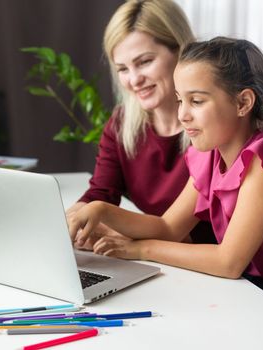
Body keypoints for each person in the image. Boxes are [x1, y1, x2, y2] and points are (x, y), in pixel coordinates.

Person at [68, 36, 263, 321]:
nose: (183, 114)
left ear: (243, 102)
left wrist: (140, 249)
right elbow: (168, 227)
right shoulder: (209, 155)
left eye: (196, 101)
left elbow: (229, 262)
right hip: (246, 293)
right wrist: (101, 211)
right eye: (180, 100)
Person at [66, 0, 216, 247]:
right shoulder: (121, 124)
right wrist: (75, 218)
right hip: (158, 260)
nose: (134, 79)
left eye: (145, 61)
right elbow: (101, 193)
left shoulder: (213, 128)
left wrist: (125, 236)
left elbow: (215, 233)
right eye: (123, 69)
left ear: (181, 51)